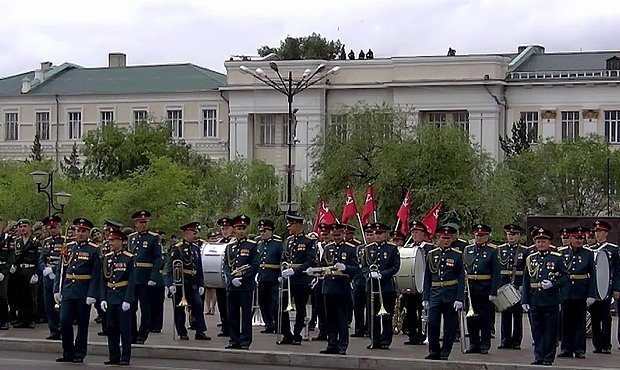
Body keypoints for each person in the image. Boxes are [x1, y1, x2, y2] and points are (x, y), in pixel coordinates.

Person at [54, 218, 101, 363]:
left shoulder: (94, 250)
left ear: (88, 233)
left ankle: (79, 352)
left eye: (83, 231)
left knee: (82, 323)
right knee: (64, 320)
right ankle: (67, 351)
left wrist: (92, 294)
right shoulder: (68, 247)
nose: (80, 234)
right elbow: (60, 270)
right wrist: (57, 289)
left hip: (83, 290)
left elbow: (96, 275)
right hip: (69, 289)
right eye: (78, 230)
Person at [522, 227, 568, 366]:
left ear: (549, 242)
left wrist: (553, 284)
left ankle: (548, 357)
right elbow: (526, 280)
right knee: (537, 330)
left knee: (550, 330)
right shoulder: (530, 258)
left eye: (543, 241)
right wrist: (525, 299)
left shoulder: (556, 258)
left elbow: (566, 277)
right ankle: (538, 356)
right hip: (535, 298)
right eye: (538, 241)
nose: (540, 244)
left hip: (550, 299)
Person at [423, 224, 464, 360]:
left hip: (450, 293)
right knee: (433, 323)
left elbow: (461, 278)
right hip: (435, 292)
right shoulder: (431, 254)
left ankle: (445, 352)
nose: (445, 240)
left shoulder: (458, 255)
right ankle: (433, 351)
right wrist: (425, 297)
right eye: (442, 238)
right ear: (437, 238)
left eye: (448, 238)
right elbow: (427, 277)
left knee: (449, 326)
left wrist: (460, 298)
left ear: (452, 239)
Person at [318, 223, 358, 355]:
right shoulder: (328, 248)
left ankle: (342, 345)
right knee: (330, 318)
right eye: (334, 235)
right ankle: (332, 344)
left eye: (338, 235)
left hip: (342, 287)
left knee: (342, 318)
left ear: (343, 234)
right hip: (329, 287)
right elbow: (323, 265)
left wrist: (345, 268)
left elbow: (356, 268)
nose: (336, 238)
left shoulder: (350, 249)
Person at [165, 221, 210, 341]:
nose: (196, 235)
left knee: (198, 306)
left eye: (197, 232)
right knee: (179, 309)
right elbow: (169, 268)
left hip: (193, 282)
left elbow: (199, 268)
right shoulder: (177, 249)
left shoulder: (196, 248)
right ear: (185, 233)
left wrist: (201, 284)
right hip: (181, 283)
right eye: (193, 233)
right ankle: (182, 332)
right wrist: (170, 284)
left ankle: (200, 331)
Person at [557, 226, 596, 359]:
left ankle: (579, 349)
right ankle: (566, 348)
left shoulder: (588, 254)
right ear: (570, 238)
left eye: (581, 238)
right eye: (576, 238)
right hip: (566, 292)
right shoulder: (561, 253)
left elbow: (593, 276)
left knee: (580, 323)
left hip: (581, 292)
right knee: (565, 322)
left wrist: (591, 294)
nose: (579, 240)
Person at [277, 213, 317, 345]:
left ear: (298, 225)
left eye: (291, 224)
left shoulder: (308, 241)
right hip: (288, 280)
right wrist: (283, 269)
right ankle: (286, 333)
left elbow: (310, 262)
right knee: (282, 306)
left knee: (300, 308)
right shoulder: (288, 241)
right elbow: (284, 258)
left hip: (301, 280)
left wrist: (294, 271)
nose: (288, 226)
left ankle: (297, 333)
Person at [100, 228, 136, 366]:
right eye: (109, 240)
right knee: (111, 328)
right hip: (110, 296)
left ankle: (125, 357)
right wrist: (102, 298)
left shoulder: (128, 258)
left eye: (114, 240)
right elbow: (104, 280)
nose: (111, 242)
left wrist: (128, 299)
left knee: (125, 329)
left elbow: (132, 281)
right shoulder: (107, 258)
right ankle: (113, 355)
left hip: (122, 296)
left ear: (121, 241)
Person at [362, 222, 400, 350]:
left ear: (386, 234)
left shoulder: (392, 248)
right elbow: (363, 266)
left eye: (379, 233)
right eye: (374, 233)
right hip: (372, 286)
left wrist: (382, 274)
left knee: (386, 314)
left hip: (386, 286)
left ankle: (385, 341)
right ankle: (374, 340)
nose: (376, 236)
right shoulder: (368, 248)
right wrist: (369, 274)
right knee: (372, 315)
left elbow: (395, 266)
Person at [223, 215, 259, 349]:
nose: (241, 231)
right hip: (232, 286)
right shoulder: (229, 247)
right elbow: (226, 265)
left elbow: (255, 265)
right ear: (234, 230)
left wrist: (242, 279)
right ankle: (234, 340)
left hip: (246, 286)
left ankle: (245, 341)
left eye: (243, 228)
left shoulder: (252, 246)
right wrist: (232, 279)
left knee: (245, 315)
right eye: (239, 228)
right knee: (232, 314)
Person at [463, 224, 500, 354]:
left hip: (485, 286)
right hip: (471, 287)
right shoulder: (468, 250)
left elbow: (496, 272)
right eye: (477, 235)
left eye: (482, 235)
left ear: (487, 236)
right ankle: (474, 344)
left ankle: (484, 344)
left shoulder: (493, 250)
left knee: (485, 318)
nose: (479, 238)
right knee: (471, 317)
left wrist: (493, 291)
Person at [127, 210, 163, 345]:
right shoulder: (131, 237)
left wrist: (153, 276)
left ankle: (143, 334)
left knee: (145, 308)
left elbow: (157, 258)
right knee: (130, 307)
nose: (144, 224)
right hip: (133, 277)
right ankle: (132, 333)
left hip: (146, 277)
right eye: (141, 222)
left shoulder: (153, 238)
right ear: (135, 223)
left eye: (146, 222)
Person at [496, 224, 530, 350]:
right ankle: (505, 340)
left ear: (518, 236)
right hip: (503, 285)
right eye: (509, 234)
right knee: (505, 314)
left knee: (517, 315)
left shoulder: (524, 251)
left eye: (514, 234)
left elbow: (527, 270)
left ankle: (516, 341)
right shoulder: (499, 249)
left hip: (518, 285)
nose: (511, 237)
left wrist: (522, 286)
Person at [589, 220, 620, 353]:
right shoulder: (591, 249)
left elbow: (617, 270)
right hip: (594, 288)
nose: (598, 235)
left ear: (606, 233)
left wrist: (616, 288)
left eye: (600, 232)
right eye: (596, 232)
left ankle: (606, 344)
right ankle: (597, 344)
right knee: (594, 317)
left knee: (606, 317)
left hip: (607, 287)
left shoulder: (613, 249)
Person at [401, 220, 433, 345]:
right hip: (411, 284)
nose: (414, 235)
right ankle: (412, 335)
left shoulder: (430, 248)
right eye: (412, 232)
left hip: (424, 284)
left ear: (423, 234)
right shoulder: (408, 248)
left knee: (423, 311)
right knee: (410, 311)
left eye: (417, 232)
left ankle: (423, 334)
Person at [38, 216, 65, 340]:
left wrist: (54, 270)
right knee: (49, 305)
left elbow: (65, 260)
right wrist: (44, 268)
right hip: (47, 277)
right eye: (50, 228)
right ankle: (53, 330)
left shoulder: (65, 241)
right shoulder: (46, 242)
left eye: (54, 227)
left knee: (59, 306)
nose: (52, 230)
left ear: (59, 227)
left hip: (58, 277)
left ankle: (61, 329)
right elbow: (42, 258)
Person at [12, 219, 42, 328]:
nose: (22, 229)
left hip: (31, 269)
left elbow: (38, 258)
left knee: (31, 296)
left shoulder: (35, 241)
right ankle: (21, 318)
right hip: (20, 270)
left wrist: (36, 273)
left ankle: (31, 319)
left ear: (29, 227)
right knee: (20, 295)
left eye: (24, 226)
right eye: (20, 227)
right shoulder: (18, 241)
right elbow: (16, 256)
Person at [256, 219, 283, 334]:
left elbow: (282, 260)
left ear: (271, 231)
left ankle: (277, 324)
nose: (263, 233)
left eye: (265, 231)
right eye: (261, 231)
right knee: (263, 302)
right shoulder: (259, 245)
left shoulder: (277, 245)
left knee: (275, 302)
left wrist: (281, 275)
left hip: (273, 276)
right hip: (262, 276)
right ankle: (268, 324)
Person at [351, 225, 375, 338]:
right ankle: (358, 329)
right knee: (357, 306)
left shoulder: (376, 248)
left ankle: (370, 329)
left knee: (370, 306)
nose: (369, 237)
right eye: (367, 234)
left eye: (371, 234)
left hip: (370, 281)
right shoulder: (359, 248)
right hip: (359, 280)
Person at [215, 217, 233, 337]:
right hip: (220, 279)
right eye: (222, 228)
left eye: (226, 228)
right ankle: (224, 326)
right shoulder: (218, 243)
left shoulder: (235, 242)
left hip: (232, 279)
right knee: (222, 304)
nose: (224, 231)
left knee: (231, 305)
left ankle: (232, 328)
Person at [0, 218, 14, 330]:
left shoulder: (8, 239)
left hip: (3, 269)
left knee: (2, 295)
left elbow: (11, 258)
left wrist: (4, 272)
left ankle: (4, 321)